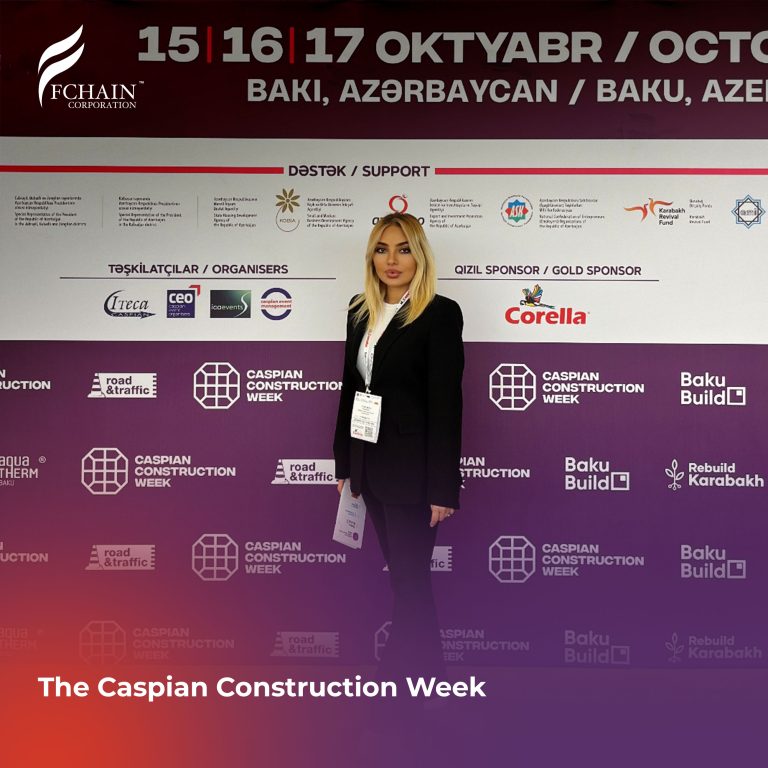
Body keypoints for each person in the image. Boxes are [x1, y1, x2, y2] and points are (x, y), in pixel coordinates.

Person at [333, 212, 464, 685]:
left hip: (413, 474)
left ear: (420, 256)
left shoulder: (439, 313)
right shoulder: (359, 310)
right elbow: (350, 389)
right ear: (371, 256)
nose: (392, 260)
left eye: (404, 249)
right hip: (369, 466)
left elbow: (446, 404)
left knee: (410, 579)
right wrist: (345, 462)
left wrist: (442, 487)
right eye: (383, 249)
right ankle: (428, 677)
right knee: (405, 580)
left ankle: (399, 678)